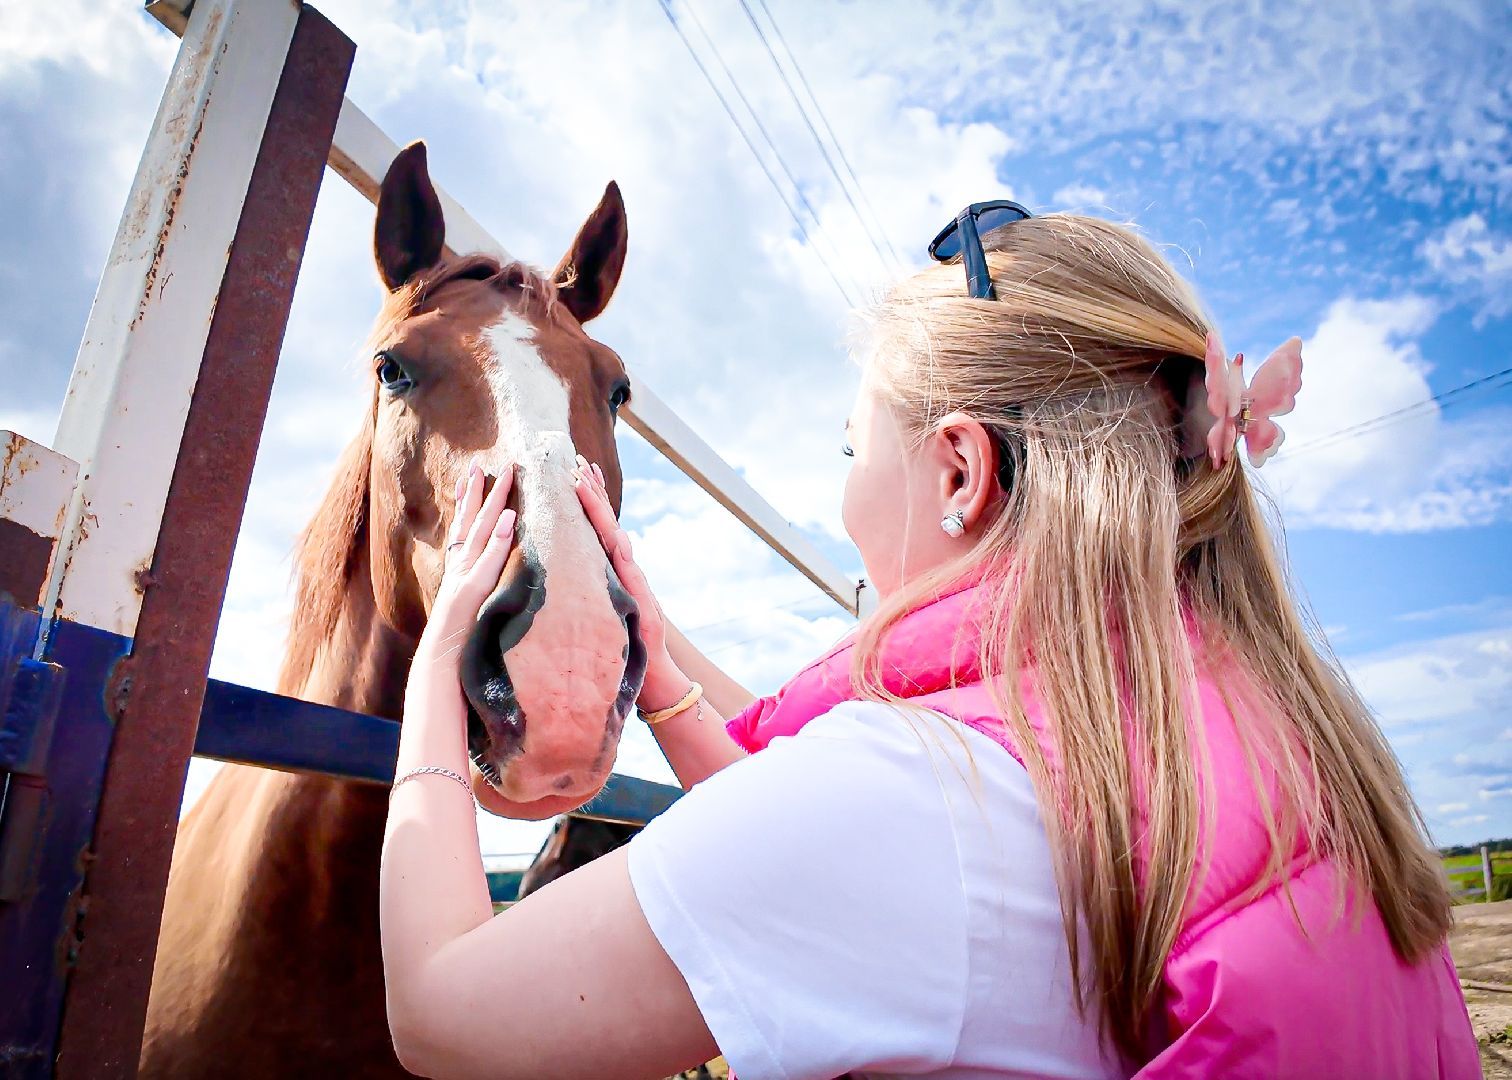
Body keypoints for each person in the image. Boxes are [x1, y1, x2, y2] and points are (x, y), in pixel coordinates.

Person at [378, 203, 1478, 1079]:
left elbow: (440, 1011)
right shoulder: (1265, 724)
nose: (847, 487)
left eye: (853, 444)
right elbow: (817, 827)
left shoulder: (918, 800)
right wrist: (656, 661)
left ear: (958, 471)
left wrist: (438, 674)